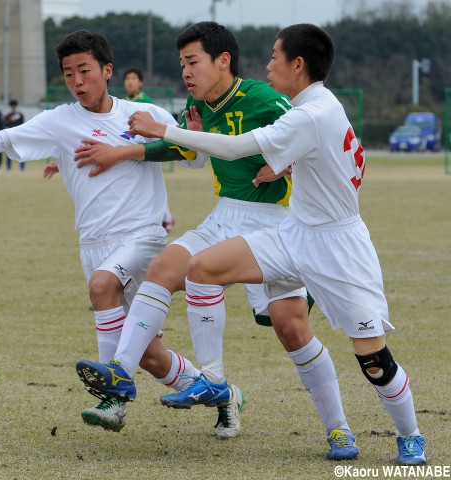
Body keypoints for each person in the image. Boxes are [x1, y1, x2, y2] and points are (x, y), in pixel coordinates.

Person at [123, 23, 428, 466]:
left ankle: (411, 435)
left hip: (340, 247)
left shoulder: (311, 114)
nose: (267, 65)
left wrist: (163, 130)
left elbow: (237, 147)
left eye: (274, 57)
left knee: (375, 361)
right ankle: (213, 379)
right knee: (201, 268)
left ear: (298, 65)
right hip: (294, 233)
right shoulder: (312, 106)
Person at [74, 21, 357, 456]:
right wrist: (137, 149)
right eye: (182, 63)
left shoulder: (264, 97)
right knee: (164, 266)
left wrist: (287, 165)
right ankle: (119, 380)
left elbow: (318, 139)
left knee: (290, 327)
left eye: (193, 62)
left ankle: (339, 429)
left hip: (274, 223)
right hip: (225, 214)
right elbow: (192, 153)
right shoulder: (196, 102)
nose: (186, 72)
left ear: (222, 60)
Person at [0, 30, 208, 434]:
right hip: (93, 245)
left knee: (101, 286)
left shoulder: (143, 116)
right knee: (150, 356)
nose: (77, 81)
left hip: (143, 237)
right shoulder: (59, 121)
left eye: (84, 70)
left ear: (106, 70)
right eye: (68, 73)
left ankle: (113, 401)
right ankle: (221, 393)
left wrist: (193, 136)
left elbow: (196, 160)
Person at [123, 68, 175, 233]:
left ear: (140, 83)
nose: (130, 81)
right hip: (132, 149)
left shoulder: (146, 102)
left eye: (133, 78)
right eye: (127, 78)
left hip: (147, 148)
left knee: (151, 185)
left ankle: (166, 218)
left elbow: (156, 126)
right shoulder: (122, 103)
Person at [5, 100, 26, 172]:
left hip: (19, 135)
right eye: (12, 106)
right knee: (9, 151)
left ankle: (22, 168)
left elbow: (23, 124)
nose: (13, 107)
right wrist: (10, 120)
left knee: (21, 151)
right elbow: (5, 124)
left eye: (14, 106)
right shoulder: (8, 115)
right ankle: (8, 168)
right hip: (10, 135)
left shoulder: (20, 115)